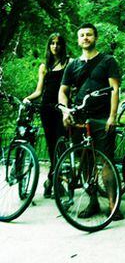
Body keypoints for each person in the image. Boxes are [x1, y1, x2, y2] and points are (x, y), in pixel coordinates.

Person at [58, 23, 123, 220]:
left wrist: (112, 116)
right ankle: (92, 201)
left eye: (89, 35)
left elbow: (115, 89)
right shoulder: (72, 65)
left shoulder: (108, 61)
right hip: (79, 117)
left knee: (106, 161)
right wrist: (64, 110)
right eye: (82, 35)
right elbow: (63, 91)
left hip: (102, 117)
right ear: (78, 40)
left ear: (95, 38)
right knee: (86, 161)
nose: (85, 38)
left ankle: (113, 204)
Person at [24, 33, 70, 198]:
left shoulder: (68, 63)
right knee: (52, 146)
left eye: (58, 43)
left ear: (62, 45)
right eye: (52, 43)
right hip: (47, 109)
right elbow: (39, 91)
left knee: (61, 143)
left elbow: (72, 87)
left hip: (62, 108)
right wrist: (27, 99)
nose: (55, 46)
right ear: (49, 46)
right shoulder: (44, 66)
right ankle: (55, 182)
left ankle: (50, 180)